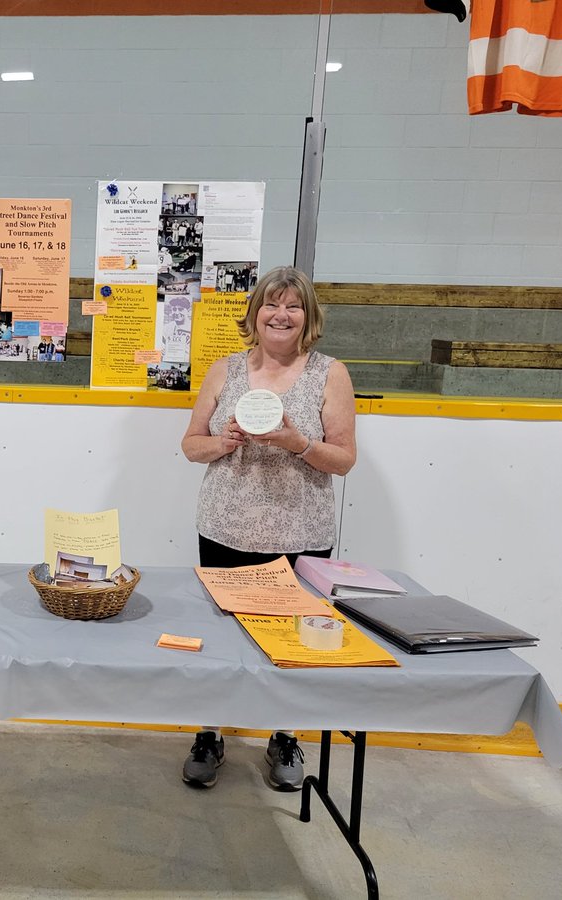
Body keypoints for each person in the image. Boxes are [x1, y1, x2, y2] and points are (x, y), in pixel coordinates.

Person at [179, 265, 357, 792]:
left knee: (294, 640)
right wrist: (224, 442)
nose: (281, 315)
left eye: (293, 306)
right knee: (220, 635)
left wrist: (296, 442)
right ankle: (209, 732)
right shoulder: (225, 370)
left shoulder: (331, 373)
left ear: (308, 318)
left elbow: (343, 460)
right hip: (224, 528)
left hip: (301, 534)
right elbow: (191, 444)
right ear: (254, 315)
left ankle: (284, 734)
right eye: (271, 305)